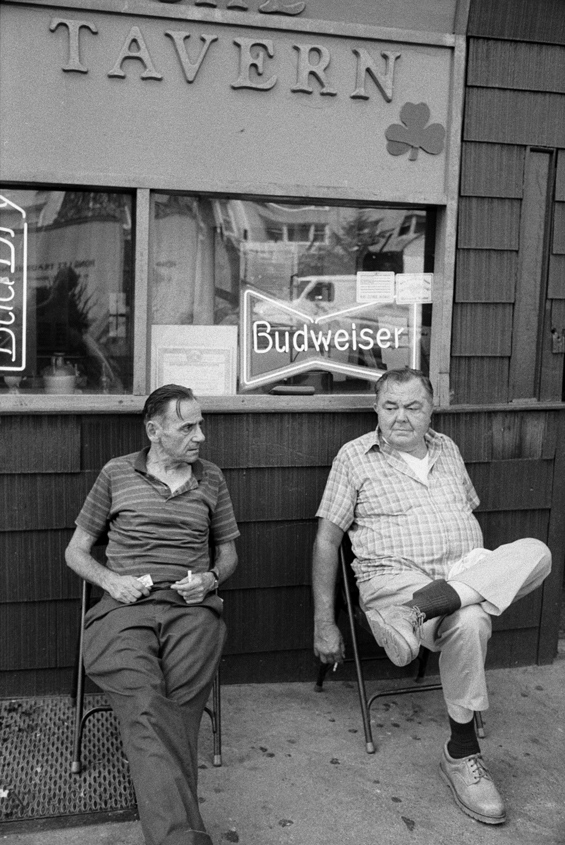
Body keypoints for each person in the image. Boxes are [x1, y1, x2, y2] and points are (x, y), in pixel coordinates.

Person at [312, 368, 551, 826]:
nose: (401, 417)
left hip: (457, 577)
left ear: (431, 408)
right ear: (376, 410)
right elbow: (327, 540)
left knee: (537, 552)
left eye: (413, 406)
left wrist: (469, 578)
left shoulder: (448, 450)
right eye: (390, 406)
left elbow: (466, 512)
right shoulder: (354, 458)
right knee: (472, 621)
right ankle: (463, 754)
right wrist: (325, 621)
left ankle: (420, 612)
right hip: (394, 582)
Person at [65, 384, 239, 845]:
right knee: (146, 699)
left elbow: (228, 554)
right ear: (154, 431)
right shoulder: (117, 473)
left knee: (175, 707)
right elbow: (76, 552)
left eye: (200, 424)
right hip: (124, 608)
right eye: (187, 427)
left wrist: (212, 579)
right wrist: (110, 581)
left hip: (192, 609)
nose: (200, 435)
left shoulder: (212, 479)